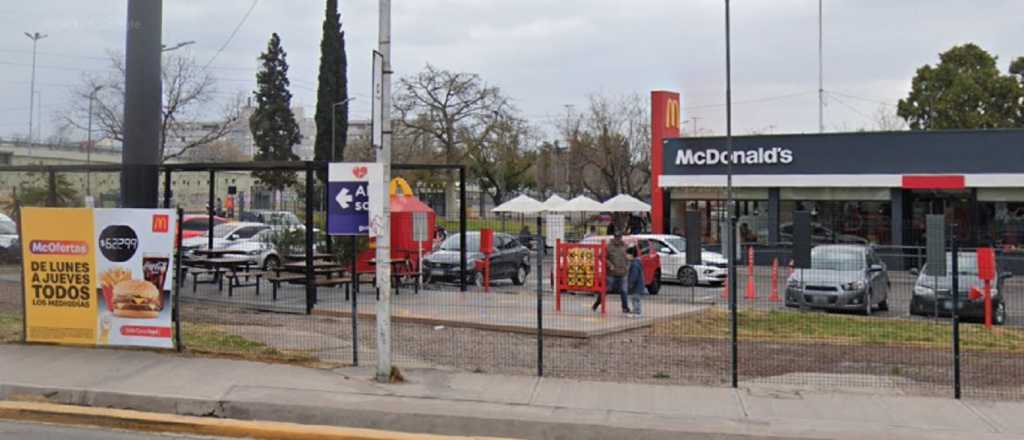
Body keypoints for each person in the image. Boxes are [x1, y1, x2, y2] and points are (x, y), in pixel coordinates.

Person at [593, 229, 629, 313]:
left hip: (622, 272)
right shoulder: (608, 246)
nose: (618, 239)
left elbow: (626, 257)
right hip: (611, 273)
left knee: (624, 290)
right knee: (606, 289)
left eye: (619, 237)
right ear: (614, 238)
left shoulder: (624, 246)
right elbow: (601, 256)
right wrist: (609, 265)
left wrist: (627, 265)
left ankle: (625, 307)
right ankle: (597, 303)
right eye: (616, 237)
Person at [625, 246, 647, 316]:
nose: (626, 256)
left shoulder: (635, 264)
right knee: (634, 298)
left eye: (627, 254)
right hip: (638, 285)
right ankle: (635, 310)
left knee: (636, 298)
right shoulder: (636, 262)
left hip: (636, 285)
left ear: (631, 255)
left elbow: (633, 276)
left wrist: (630, 284)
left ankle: (638, 312)